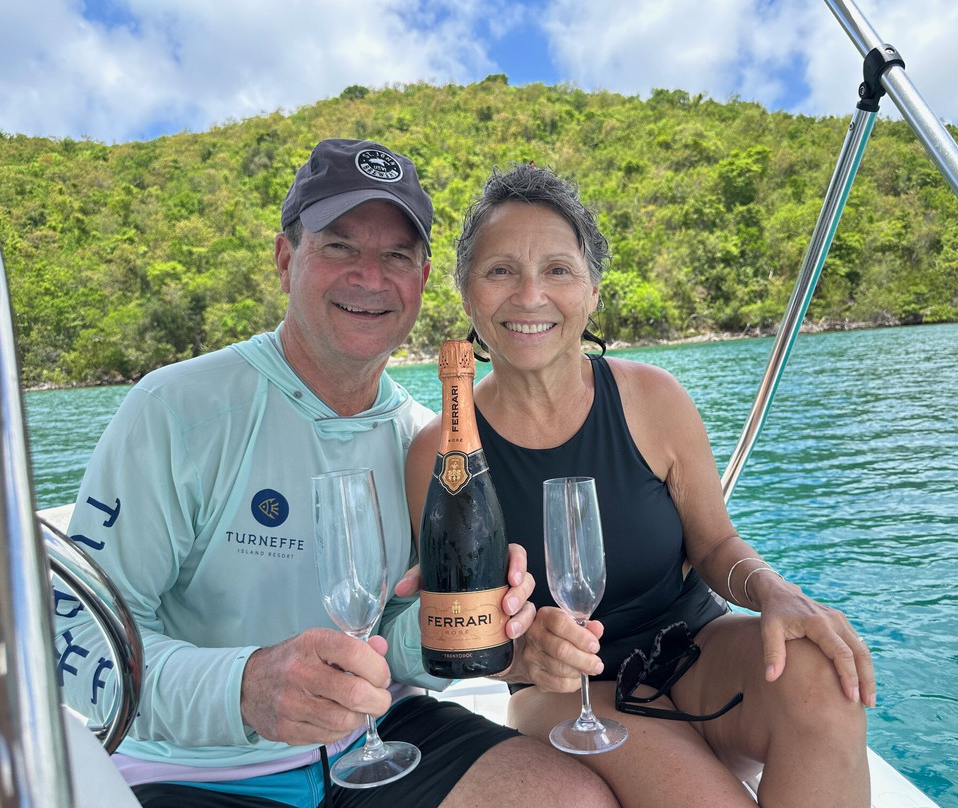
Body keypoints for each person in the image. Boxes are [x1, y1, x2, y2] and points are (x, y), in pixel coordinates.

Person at [52, 139, 618, 808]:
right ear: (287, 257)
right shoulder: (178, 411)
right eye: (341, 247)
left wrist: (479, 634)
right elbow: (75, 639)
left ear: (424, 276)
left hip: (380, 732)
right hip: (194, 766)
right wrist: (244, 687)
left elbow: (397, 637)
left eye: (396, 256)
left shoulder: (420, 440)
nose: (370, 277)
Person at [403, 163, 877, 807]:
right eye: (500, 270)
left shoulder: (653, 399)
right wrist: (521, 654)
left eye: (559, 270)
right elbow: (463, 624)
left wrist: (773, 590)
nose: (530, 295)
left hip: (694, 646)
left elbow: (713, 546)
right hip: (561, 687)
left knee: (824, 678)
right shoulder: (441, 450)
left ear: (592, 289)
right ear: (467, 296)